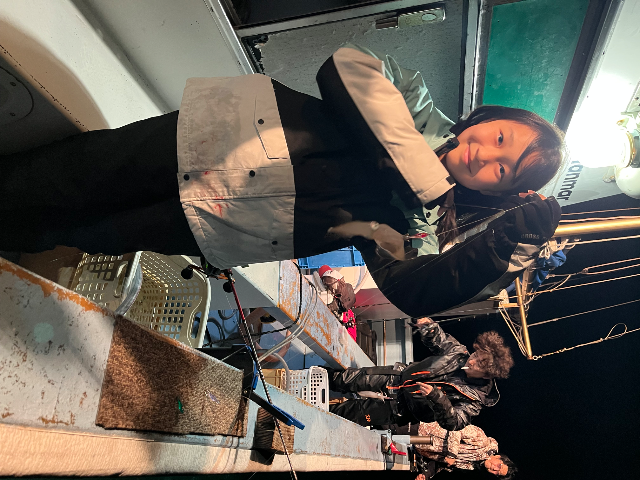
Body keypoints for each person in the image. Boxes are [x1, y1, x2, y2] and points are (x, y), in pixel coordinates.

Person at [1, 45, 562, 317]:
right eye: (500, 137)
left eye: (502, 169)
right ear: (489, 117)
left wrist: (502, 250)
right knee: (65, 177)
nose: (486, 154)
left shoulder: (413, 227)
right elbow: (346, 67)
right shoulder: (414, 101)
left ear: (496, 193)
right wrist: (425, 178)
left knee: (87, 234)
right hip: (205, 142)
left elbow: (415, 290)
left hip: (214, 223)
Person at [328, 318, 513, 430]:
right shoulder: (458, 352)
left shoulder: (474, 401)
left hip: (400, 409)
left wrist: (437, 398)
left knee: (348, 414)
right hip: (396, 376)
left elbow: (455, 422)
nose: (471, 361)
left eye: (479, 364)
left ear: (487, 375)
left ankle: (319, 414)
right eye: (476, 355)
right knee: (345, 379)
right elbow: (440, 340)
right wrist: (430, 327)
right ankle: (314, 378)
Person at [412, 421, 517, 479]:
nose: (494, 469)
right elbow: (456, 427)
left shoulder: (472, 466)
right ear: (498, 457)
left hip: (420, 448)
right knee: (400, 437)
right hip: (423, 433)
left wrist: (426, 474)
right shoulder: (482, 441)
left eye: (497, 473)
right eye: (499, 466)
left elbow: (442, 464)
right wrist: (452, 454)